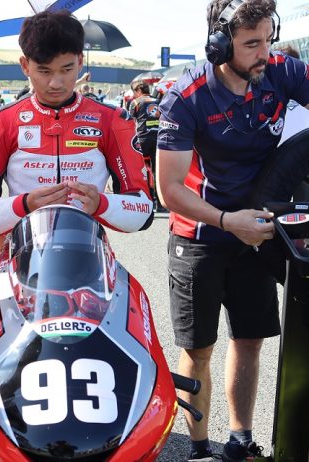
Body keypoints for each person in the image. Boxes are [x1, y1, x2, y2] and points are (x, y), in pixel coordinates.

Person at [155, 1, 309, 461]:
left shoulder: (281, 70)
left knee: (249, 340)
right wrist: (226, 221)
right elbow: (168, 189)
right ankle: (200, 448)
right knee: (199, 348)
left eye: (268, 40)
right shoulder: (186, 97)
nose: (265, 53)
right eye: (251, 44)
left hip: (257, 233)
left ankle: (241, 441)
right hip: (199, 236)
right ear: (220, 46)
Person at [0, 10, 153, 355]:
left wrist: (101, 204)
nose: (56, 83)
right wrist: (24, 204)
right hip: (21, 268)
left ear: (81, 62)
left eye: (66, 69)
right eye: (44, 71)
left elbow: (143, 211)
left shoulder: (113, 120)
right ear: (24, 65)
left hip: (93, 270)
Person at [129, 80, 164, 212]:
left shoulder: (136, 103)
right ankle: (160, 204)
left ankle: (144, 201)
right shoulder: (158, 101)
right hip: (158, 140)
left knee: (139, 171)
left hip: (142, 140)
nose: (134, 95)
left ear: (138, 91)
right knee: (157, 172)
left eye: (134, 92)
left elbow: (130, 123)